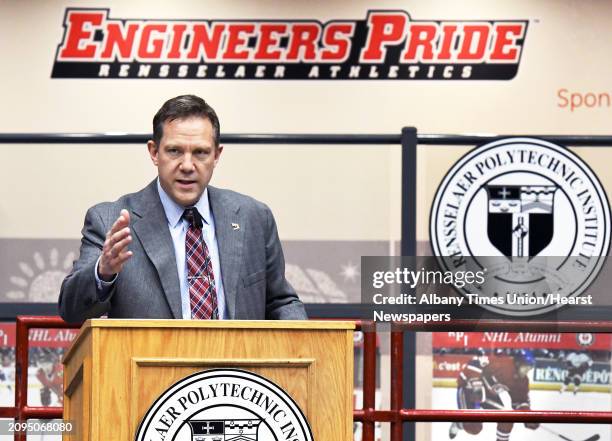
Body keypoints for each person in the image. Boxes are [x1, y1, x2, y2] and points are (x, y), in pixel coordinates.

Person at [59, 95, 306, 321]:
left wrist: (308, 347)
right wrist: (103, 272)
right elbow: (72, 312)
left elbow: (280, 302)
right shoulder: (109, 220)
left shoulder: (254, 217)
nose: (187, 165)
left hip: (236, 369)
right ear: (154, 152)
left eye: (200, 152)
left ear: (216, 156)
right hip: (150, 368)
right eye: (175, 151)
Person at [449, 349, 539, 441]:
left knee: (507, 418)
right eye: (525, 367)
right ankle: (459, 423)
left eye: (529, 368)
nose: (527, 370)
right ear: (518, 363)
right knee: (474, 428)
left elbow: (520, 401)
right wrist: (476, 383)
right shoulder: (502, 363)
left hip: (487, 395)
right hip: (468, 389)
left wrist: (527, 415)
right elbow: (476, 362)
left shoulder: (522, 381)